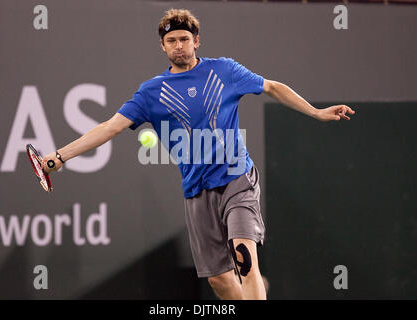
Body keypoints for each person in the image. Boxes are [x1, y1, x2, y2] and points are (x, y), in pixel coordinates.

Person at [42, 8, 355, 300]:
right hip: (197, 191)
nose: (179, 46)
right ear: (163, 47)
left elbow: (272, 87)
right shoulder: (152, 92)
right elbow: (110, 127)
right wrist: (59, 157)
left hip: (237, 178)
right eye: (171, 41)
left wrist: (316, 112)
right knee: (219, 280)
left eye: (184, 39)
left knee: (244, 259)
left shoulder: (225, 71)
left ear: (196, 41)